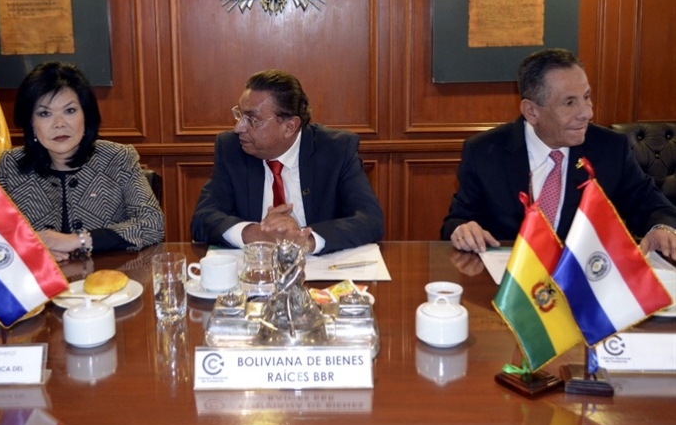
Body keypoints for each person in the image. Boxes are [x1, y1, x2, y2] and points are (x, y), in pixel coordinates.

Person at [441, 48, 676, 257]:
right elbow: (458, 219)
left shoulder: (610, 148)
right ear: (531, 112)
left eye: (586, 97)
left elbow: (655, 207)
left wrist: (662, 228)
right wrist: (463, 229)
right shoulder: (484, 151)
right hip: (509, 278)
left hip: (584, 277)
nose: (587, 113)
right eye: (569, 103)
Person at [0, 62, 164, 262]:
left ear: (86, 115)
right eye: (45, 113)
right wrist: (24, 243)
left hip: (106, 281)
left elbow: (152, 223)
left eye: (70, 111)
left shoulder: (117, 158)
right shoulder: (12, 165)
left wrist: (78, 240)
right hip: (36, 285)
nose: (59, 124)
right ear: (31, 123)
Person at [190, 69, 384, 254]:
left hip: (320, 271)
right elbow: (202, 219)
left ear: (289, 126)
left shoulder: (336, 150)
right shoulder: (231, 148)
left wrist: (306, 239)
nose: (238, 128)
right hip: (256, 270)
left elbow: (370, 220)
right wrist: (255, 234)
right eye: (240, 115)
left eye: (252, 119)